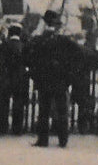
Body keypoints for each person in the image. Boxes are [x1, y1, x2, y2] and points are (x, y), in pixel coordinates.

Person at [25, 11, 84, 148]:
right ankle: (63, 140)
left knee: (44, 111)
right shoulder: (63, 40)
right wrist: (69, 74)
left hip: (44, 81)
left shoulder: (39, 40)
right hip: (60, 81)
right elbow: (79, 54)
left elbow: (28, 53)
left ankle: (43, 140)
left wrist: (36, 74)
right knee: (62, 111)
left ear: (44, 23)